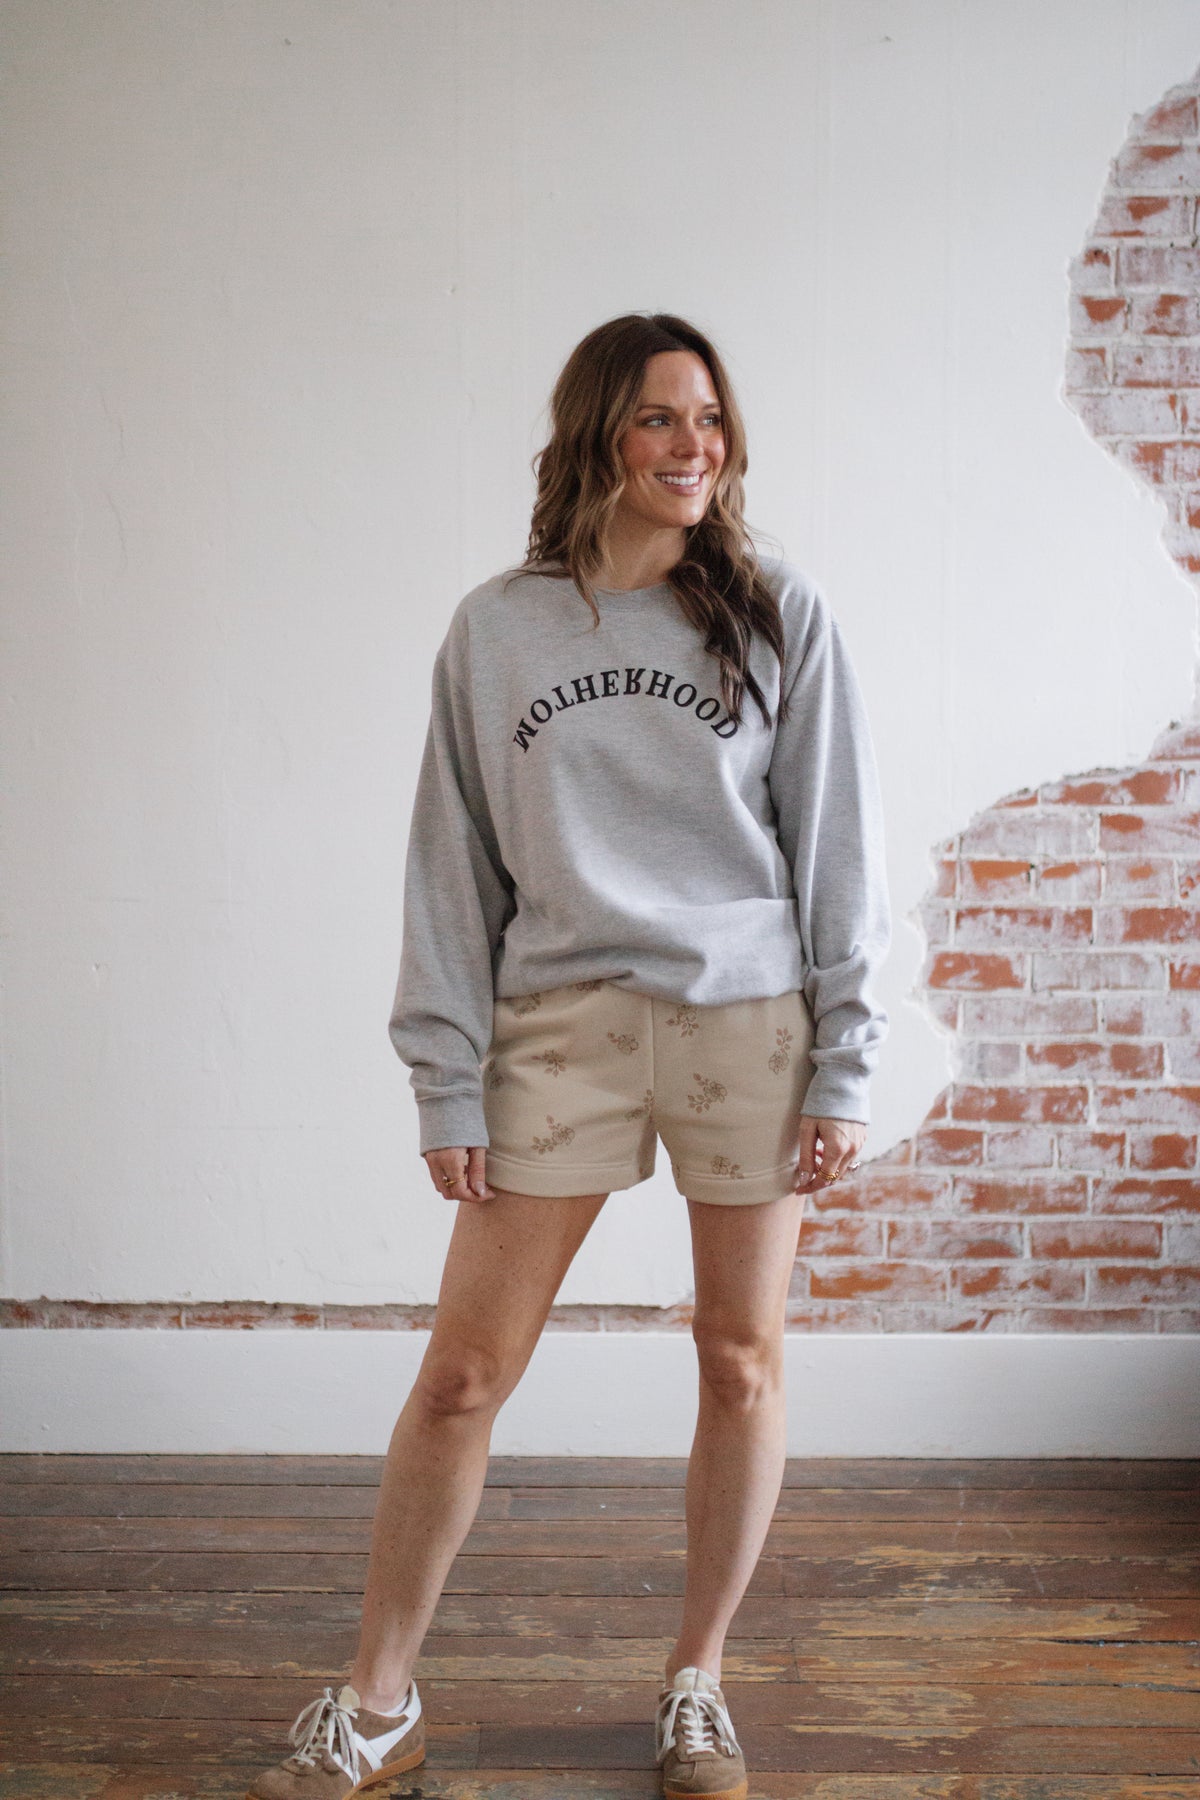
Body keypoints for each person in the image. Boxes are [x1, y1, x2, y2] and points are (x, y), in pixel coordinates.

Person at [246, 312, 891, 1800]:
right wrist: (446, 1075)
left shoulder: (778, 613)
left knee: (739, 1359)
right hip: (560, 1021)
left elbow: (837, 847)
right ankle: (378, 1701)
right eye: (661, 417)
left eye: (711, 420)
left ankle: (697, 1682)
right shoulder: (499, 630)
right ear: (599, 431)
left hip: (746, 1015)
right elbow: (451, 867)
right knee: (465, 1374)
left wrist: (848, 1061)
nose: (693, 447)